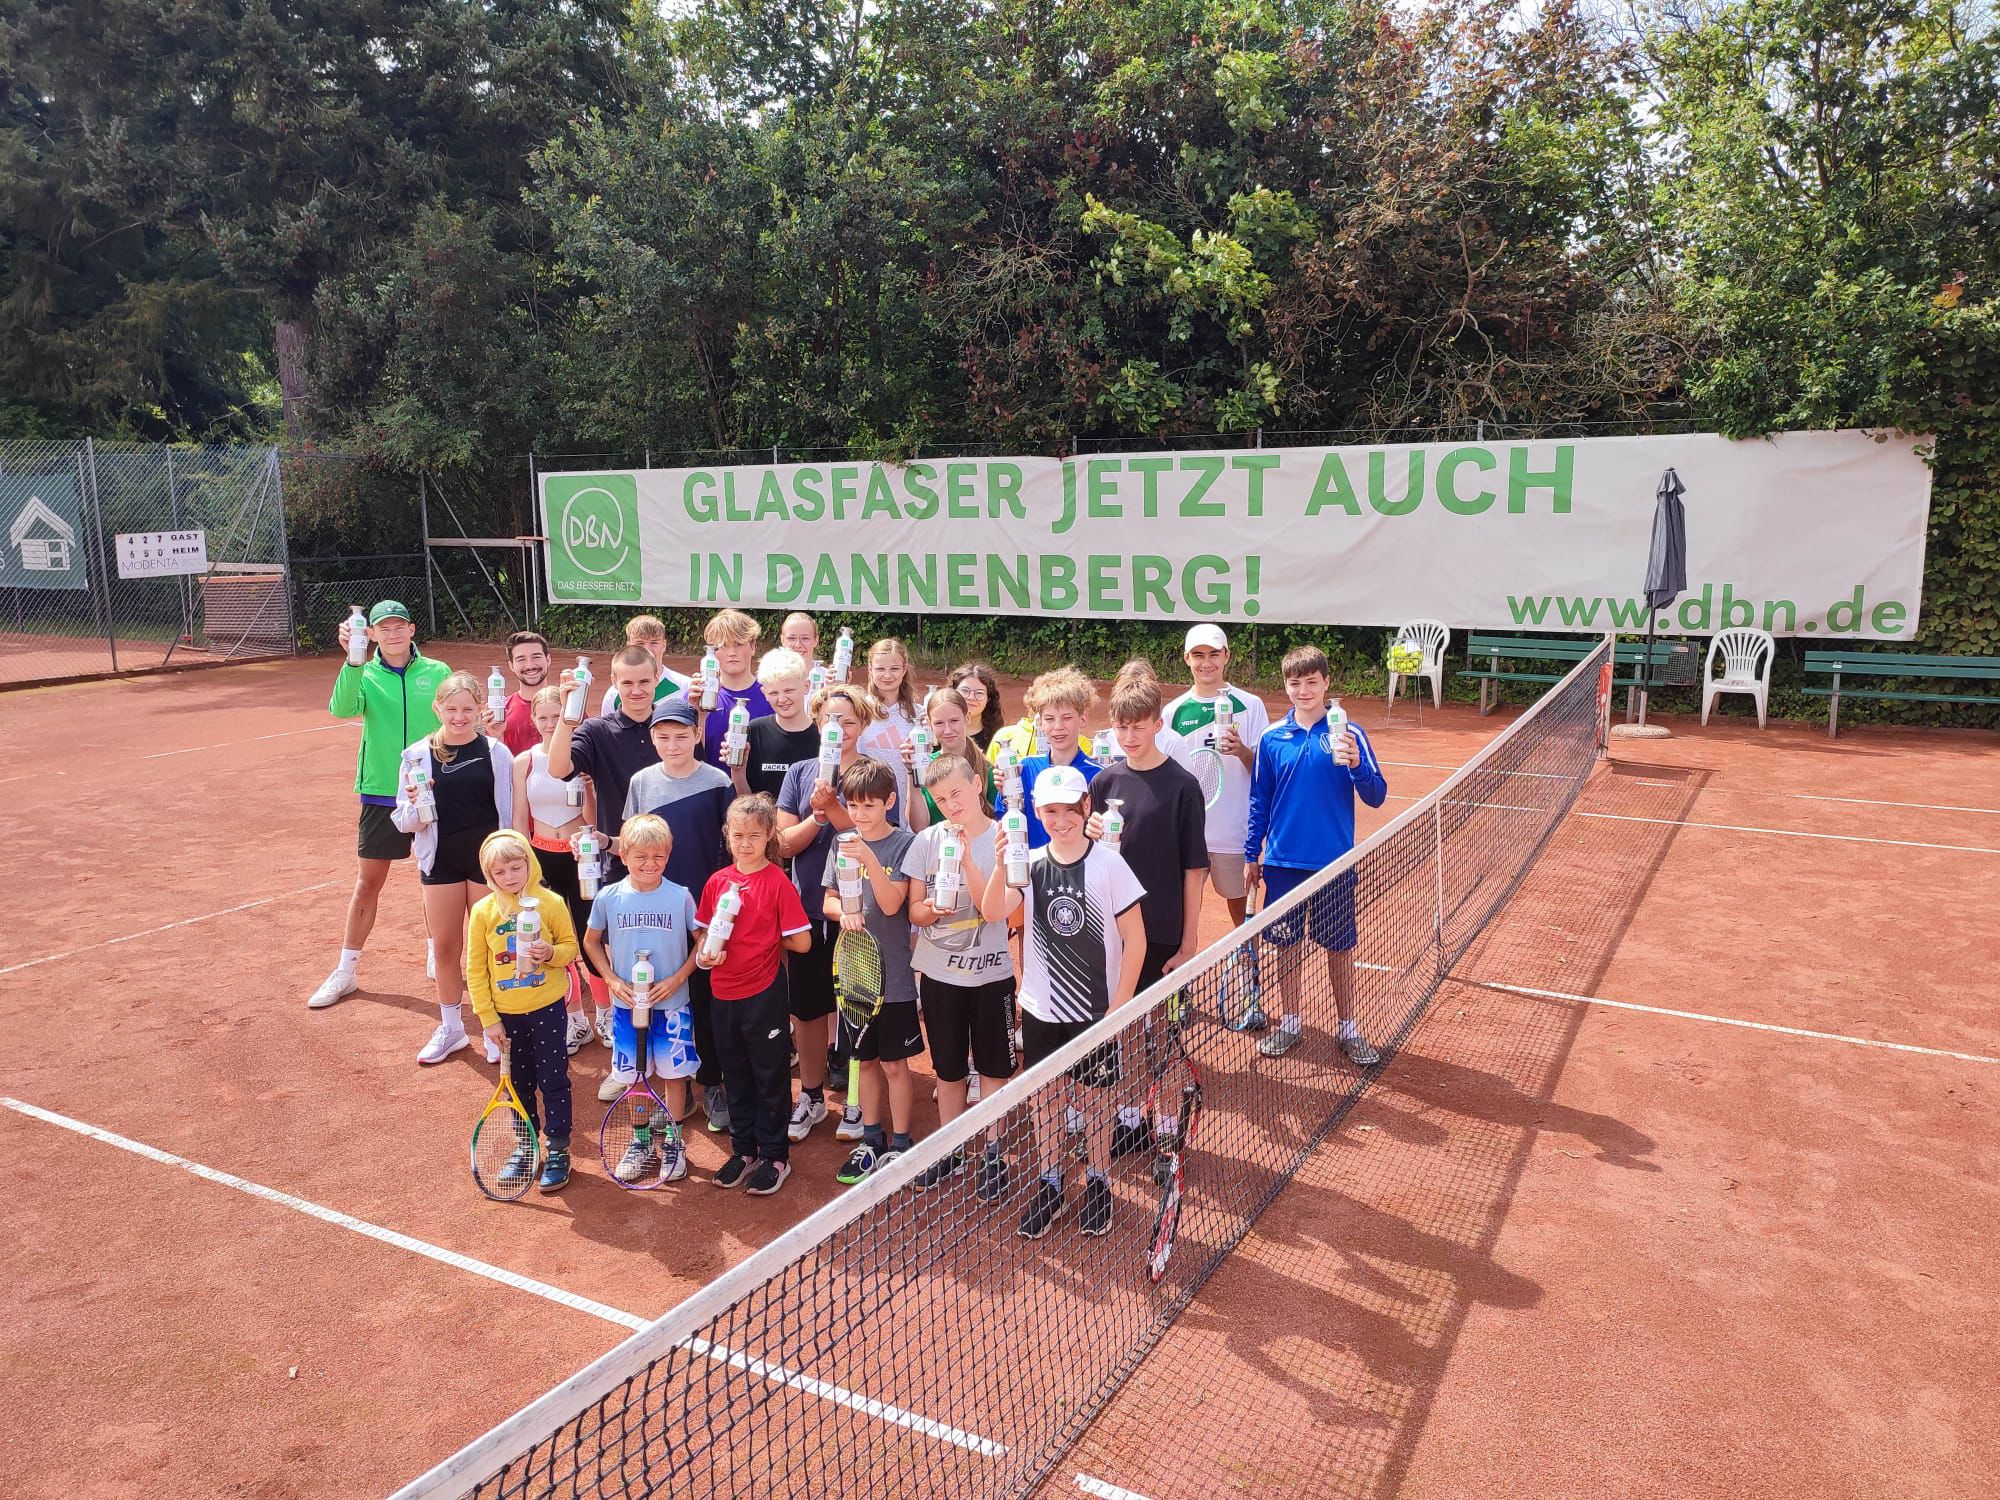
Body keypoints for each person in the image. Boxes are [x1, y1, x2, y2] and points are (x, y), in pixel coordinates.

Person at [978, 765, 1146, 1240]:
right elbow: (993, 912)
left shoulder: (1110, 864)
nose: (1062, 819)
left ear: (1086, 807)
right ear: (1036, 812)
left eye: (1070, 809)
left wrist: (1121, 1008)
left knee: (1096, 1103)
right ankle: (1050, 1180)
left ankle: (1098, 1180)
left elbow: (1135, 938)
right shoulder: (1027, 864)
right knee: (1047, 1100)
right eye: (1050, 810)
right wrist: (997, 863)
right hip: (1040, 1010)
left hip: (1095, 1012)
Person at [1244, 644, 1389, 1064]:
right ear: (1285, 686)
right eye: (1295, 682)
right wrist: (1252, 855)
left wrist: (1358, 763)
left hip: (1334, 866)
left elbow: (1376, 796)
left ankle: (1349, 1028)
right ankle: (1290, 1023)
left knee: (1339, 948)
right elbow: (1259, 801)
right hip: (1283, 865)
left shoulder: (1349, 734)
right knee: (1287, 948)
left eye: (1312, 681)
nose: (1303, 690)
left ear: (1326, 683)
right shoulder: (1272, 738)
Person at [308, 600, 452, 1010]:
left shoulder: (437, 672)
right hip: (380, 791)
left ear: (411, 629)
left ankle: (434, 951)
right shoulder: (364, 672)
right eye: (382, 628)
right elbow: (341, 709)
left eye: (398, 626)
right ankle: (346, 970)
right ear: (369, 634)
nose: (392, 634)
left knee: (436, 878)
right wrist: (351, 664)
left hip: (434, 788)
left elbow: (456, 720)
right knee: (368, 883)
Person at [1086, 671, 1208, 1155]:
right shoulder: (1104, 781)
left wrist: (1190, 941)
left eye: (1138, 727)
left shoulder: (1183, 787)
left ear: (1159, 724)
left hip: (1161, 931)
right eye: (1121, 728)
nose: (1129, 737)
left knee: (1163, 1033)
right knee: (1123, 1027)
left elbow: (1194, 869)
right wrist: (1090, 834)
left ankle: (1164, 1128)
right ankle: (1132, 1117)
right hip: (1112, 931)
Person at [775, 684, 897, 1143]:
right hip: (810, 908)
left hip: (862, 916)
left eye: (848, 721)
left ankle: (854, 1101)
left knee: (857, 1010)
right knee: (807, 1011)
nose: (839, 729)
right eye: (830, 720)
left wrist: (837, 810)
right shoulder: (801, 772)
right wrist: (821, 815)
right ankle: (809, 1095)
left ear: (862, 725)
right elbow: (785, 843)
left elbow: (879, 840)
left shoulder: (876, 775)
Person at [903, 754, 1016, 1196]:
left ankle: (994, 1154)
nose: (951, 804)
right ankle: (949, 1151)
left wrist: (969, 861)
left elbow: (999, 912)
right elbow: (914, 910)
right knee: (948, 1072)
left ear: (977, 783)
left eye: (957, 792)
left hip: (992, 978)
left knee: (994, 1070)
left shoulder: (1005, 839)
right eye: (940, 798)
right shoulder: (927, 842)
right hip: (939, 978)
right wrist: (930, 910)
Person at [619, 696, 734, 1125]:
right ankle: (676, 1085)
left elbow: (729, 849)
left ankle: (713, 1082)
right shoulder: (642, 783)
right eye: (663, 736)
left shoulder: (718, 781)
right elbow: (631, 842)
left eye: (681, 736)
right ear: (652, 739)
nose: (672, 744)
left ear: (697, 735)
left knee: (707, 1000)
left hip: (706, 911)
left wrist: (720, 906)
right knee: (667, 997)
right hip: (660, 911)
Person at [392, 671, 516, 1065]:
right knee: (446, 948)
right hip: (441, 862)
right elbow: (404, 820)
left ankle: (495, 1029)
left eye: (467, 709)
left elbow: (509, 814)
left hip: (488, 865)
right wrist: (414, 805)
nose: (459, 717)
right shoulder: (414, 755)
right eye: (451, 709)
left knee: (491, 948)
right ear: (438, 709)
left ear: (481, 709)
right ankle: (452, 1028)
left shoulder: (496, 752)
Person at [695, 796, 813, 1196]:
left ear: (769, 838)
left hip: (763, 995)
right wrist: (707, 954)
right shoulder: (717, 882)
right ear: (728, 836)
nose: (745, 843)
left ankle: (776, 1155)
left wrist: (771, 938)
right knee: (735, 1075)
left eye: (755, 836)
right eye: (738, 835)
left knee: (770, 1076)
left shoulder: (778, 882)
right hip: (722, 994)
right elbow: (702, 932)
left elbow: (803, 943)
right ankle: (743, 1150)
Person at [584, 814, 703, 1184]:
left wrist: (678, 979)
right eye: (641, 857)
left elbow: (702, 942)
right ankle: (639, 1143)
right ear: (624, 856)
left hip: (671, 1006)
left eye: (659, 857)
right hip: (625, 1010)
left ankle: (673, 1140)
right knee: (635, 1078)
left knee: (674, 1076)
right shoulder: (609, 897)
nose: (650, 864)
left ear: (668, 856)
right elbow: (590, 941)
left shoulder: (680, 896)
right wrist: (611, 979)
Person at [820, 759, 919, 1185]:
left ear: (890, 803)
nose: (859, 814)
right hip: (856, 976)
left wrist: (869, 860)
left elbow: (895, 904)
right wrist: (843, 913)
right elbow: (827, 901)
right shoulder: (841, 843)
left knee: (897, 1066)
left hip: (894, 976)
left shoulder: (904, 845)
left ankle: (901, 1144)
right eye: (853, 806)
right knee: (867, 1061)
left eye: (869, 806)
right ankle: (871, 1140)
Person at [464, 829, 579, 1193]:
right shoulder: (483, 912)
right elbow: (475, 969)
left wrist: (551, 954)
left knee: (554, 1080)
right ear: (489, 876)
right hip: (506, 1016)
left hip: (546, 1008)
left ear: (529, 863)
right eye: (500, 872)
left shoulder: (551, 903)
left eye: (516, 867)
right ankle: (525, 1145)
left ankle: (558, 1149)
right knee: (518, 1084)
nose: (509, 877)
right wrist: (488, 1018)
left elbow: (570, 948)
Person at [511, 684, 603, 1056]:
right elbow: (520, 816)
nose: (551, 724)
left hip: (581, 857)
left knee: (589, 936)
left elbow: (593, 818)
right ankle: (576, 1018)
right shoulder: (525, 762)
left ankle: (607, 1015)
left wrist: (590, 791)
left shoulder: (581, 758)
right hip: (541, 857)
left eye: (557, 716)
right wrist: (525, 863)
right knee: (551, 940)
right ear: (533, 720)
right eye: (543, 717)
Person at [1165, 624, 1271, 931]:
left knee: (1242, 916)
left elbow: (1264, 772)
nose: (1206, 662)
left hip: (1234, 835)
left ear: (1226, 656)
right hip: (1189, 834)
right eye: (1198, 655)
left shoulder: (1250, 706)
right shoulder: (1174, 712)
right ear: (1186, 658)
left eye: (1213, 654)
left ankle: (1247, 974)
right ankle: (1182, 977)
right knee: (1183, 918)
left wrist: (1242, 751)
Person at [548, 646, 661, 885]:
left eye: (644, 681)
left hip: (670, 857)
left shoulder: (672, 726)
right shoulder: (596, 730)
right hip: (617, 863)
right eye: (628, 683)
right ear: (614, 682)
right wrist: (566, 717)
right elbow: (558, 769)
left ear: (656, 678)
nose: (637, 690)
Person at [1008, 666, 1100, 848]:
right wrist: (1004, 790)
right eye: (1049, 719)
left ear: (1083, 719)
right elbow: (1007, 819)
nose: (1058, 726)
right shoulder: (1024, 770)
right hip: (1035, 871)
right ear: (1040, 722)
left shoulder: (1099, 775)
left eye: (1066, 718)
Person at [735, 648, 819, 803]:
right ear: (764, 693)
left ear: (806, 686)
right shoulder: (755, 730)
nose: (782, 699)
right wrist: (737, 771)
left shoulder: (821, 735)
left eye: (789, 690)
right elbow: (745, 800)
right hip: (762, 825)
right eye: (774, 693)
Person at [907, 686, 993, 834]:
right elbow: (919, 826)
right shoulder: (924, 767)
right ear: (929, 724)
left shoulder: (988, 770)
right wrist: (911, 772)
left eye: (954, 721)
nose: (947, 730)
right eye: (939, 723)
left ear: (967, 718)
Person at [698, 609, 771, 767]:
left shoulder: (771, 696)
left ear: (752, 646)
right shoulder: (697, 697)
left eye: (738, 644)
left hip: (758, 791)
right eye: (723, 646)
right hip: (711, 790)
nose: (731, 652)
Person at [598, 614, 693, 716]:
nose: (647, 649)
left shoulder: (686, 686)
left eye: (654, 643)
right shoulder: (614, 695)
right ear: (629, 646)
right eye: (640, 643)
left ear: (664, 645)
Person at [487, 630, 553, 756]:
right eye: (521, 659)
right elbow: (496, 763)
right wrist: (496, 735)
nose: (530, 665)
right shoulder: (500, 711)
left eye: (536, 657)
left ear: (548, 659)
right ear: (511, 665)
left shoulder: (568, 705)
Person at [948, 662, 1005, 751]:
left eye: (979, 693)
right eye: (965, 691)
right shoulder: (939, 733)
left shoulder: (998, 739)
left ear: (988, 699)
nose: (971, 697)